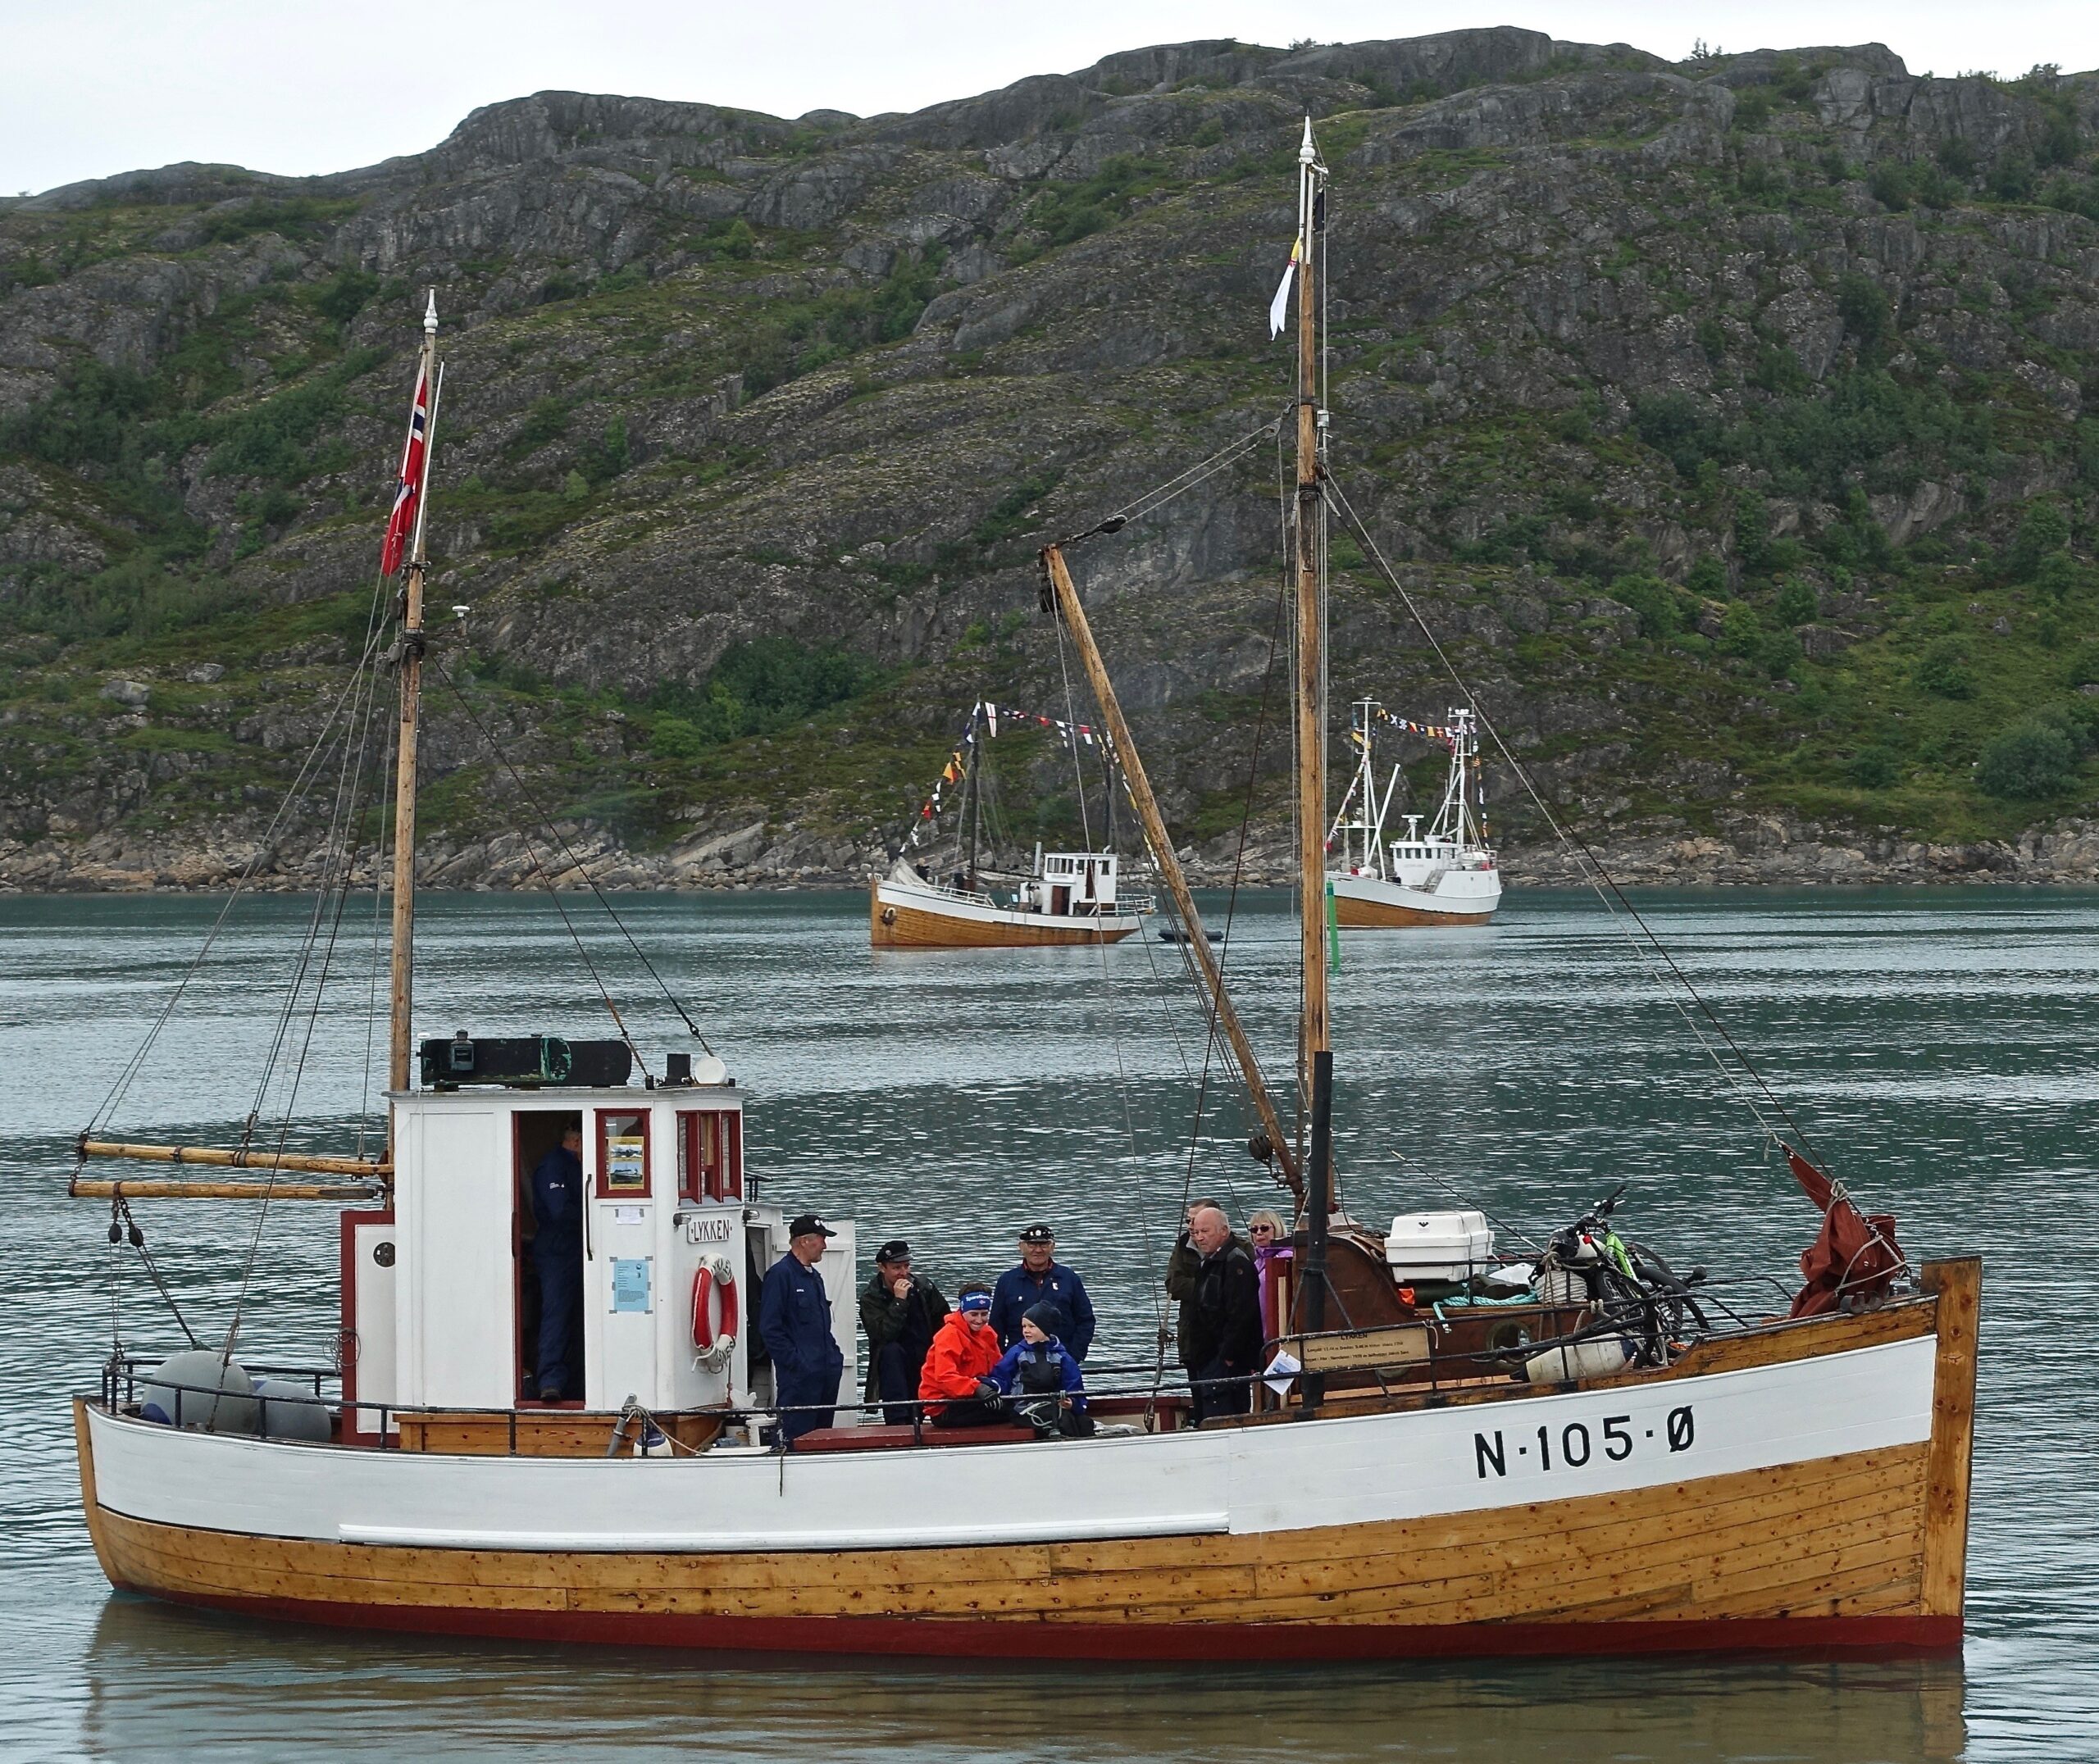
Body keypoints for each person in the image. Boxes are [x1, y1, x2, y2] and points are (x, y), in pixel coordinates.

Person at [758, 1213, 846, 1444]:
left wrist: (834, 1358)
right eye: (821, 1239)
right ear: (804, 1241)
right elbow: (770, 1328)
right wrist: (796, 1364)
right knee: (796, 1438)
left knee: (821, 1438)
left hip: (826, 1372)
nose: (825, 1246)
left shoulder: (815, 1278)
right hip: (800, 1379)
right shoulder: (780, 1275)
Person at [1183, 1203, 1262, 1425]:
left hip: (1224, 1361)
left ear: (1224, 1231)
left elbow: (1242, 1314)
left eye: (1205, 1231)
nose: (1199, 1238)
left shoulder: (1235, 1263)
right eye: (1196, 1232)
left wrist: (1227, 1356)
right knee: (1206, 1415)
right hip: (1206, 1357)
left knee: (1223, 1417)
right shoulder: (1207, 1263)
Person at [859, 1239, 949, 1425]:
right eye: (897, 1268)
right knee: (891, 1353)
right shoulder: (871, 1297)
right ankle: (898, 1425)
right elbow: (882, 1335)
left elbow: (944, 1322)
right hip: (893, 1365)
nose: (903, 1273)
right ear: (882, 1268)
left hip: (923, 1356)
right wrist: (899, 1302)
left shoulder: (924, 1288)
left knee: (923, 1406)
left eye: (906, 1266)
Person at [529, 1122, 585, 1403]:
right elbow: (559, 1210)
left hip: (578, 1248)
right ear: (575, 1140)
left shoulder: (576, 1166)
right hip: (556, 1249)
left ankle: (577, 1380)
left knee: (578, 1316)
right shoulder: (553, 1166)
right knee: (556, 1314)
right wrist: (594, 1212)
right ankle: (550, 1380)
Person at [986, 1303, 1093, 1438]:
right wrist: (990, 1385)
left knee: (1084, 1422)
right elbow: (1001, 1376)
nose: (1026, 1330)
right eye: (1024, 1326)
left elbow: (1074, 1385)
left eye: (1032, 1326)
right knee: (1063, 1421)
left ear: (1045, 1328)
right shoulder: (1017, 1353)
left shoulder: (1061, 1356)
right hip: (1023, 1408)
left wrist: (1072, 1403)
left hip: (1054, 1405)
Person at [990, 1224, 1095, 1360]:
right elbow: (996, 1326)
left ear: (1052, 1247)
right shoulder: (1007, 1281)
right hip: (1018, 1361)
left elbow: (1086, 1320)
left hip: (1062, 1359)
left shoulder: (1069, 1278)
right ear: (1021, 1247)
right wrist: (1004, 1359)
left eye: (1043, 1245)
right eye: (1032, 1245)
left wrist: (1073, 1356)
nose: (1038, 1250)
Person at [918, 1284, 1005, 1427]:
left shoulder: (987, 1333)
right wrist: (977, 1388)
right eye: (974, 1314)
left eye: (984, 1314)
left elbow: (999, 1366)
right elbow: (945, 1377)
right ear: (963, 1310)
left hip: (972, 1398)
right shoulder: (949, 1335)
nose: (979, 1320)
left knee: (1016, 1405)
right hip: (944, 1406)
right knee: (1013, 1412)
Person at [1163, 1196, 1225, 1373]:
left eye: (1195, 1220)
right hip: (1191, 1338)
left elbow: (1234, 1290)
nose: (1191, 1225)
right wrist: (1210, 1286)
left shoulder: (1237, 1248)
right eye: (1188, 1221)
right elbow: (1173, 1285)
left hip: (1223, 1339)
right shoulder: (1183, 1246)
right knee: (1198, 1391)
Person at [1247, 1207, 1291, 1339]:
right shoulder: (1256, 1262)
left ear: (1277, 1229)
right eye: (1254, 1230)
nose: (1259, 1233)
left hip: (1278, 1329)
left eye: (1264, 1228)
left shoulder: (1287, 1257)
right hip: (1258, 1331)